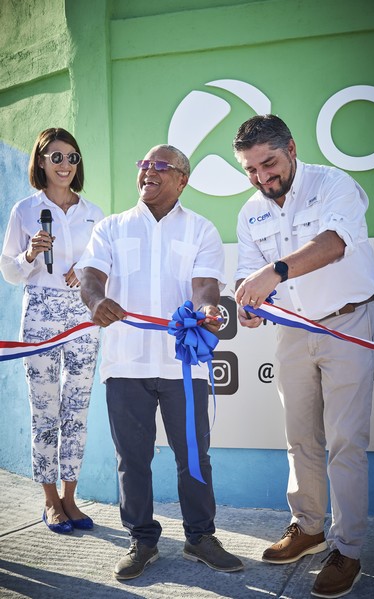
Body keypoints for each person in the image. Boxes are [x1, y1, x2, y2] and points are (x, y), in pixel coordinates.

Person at [76, 144, 243, 580]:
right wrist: (96, 300)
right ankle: (142, 540)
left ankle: (200, 538)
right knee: (132, 459)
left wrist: (206, 310)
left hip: (181, 365)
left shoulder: (201, 229)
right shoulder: (111, 228)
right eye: (144, 164)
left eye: (160, 166)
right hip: (125, 364)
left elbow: (205, 288)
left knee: (194, 457)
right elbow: (91, 276)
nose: (148, 170)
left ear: (182, 180)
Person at [233, 115, 374, 598]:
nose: (262, 177)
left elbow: (334, 244)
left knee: (345, 441)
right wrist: (249, 303)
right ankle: (309, 527)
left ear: (292, 148)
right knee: (300, 437)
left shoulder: (334, 184)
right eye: (251, 169)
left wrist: (274, 272)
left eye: (269, 163)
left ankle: (348, 548)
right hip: (293, 331)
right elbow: (246, 274)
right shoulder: (250, 211)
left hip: (347, 322)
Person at [0, 128, 104, 534]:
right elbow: (9, 271)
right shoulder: (25, 210)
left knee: (77, 406)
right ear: (41, 161)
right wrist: (29, 254)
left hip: (82, 313)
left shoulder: (93, 212)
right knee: (44, 407)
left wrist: (87, 269)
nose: (65, 165)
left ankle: (70, 496)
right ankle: (49, 500)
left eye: (72, 157)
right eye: (56, 157)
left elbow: (106, 263)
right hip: (40, 310)